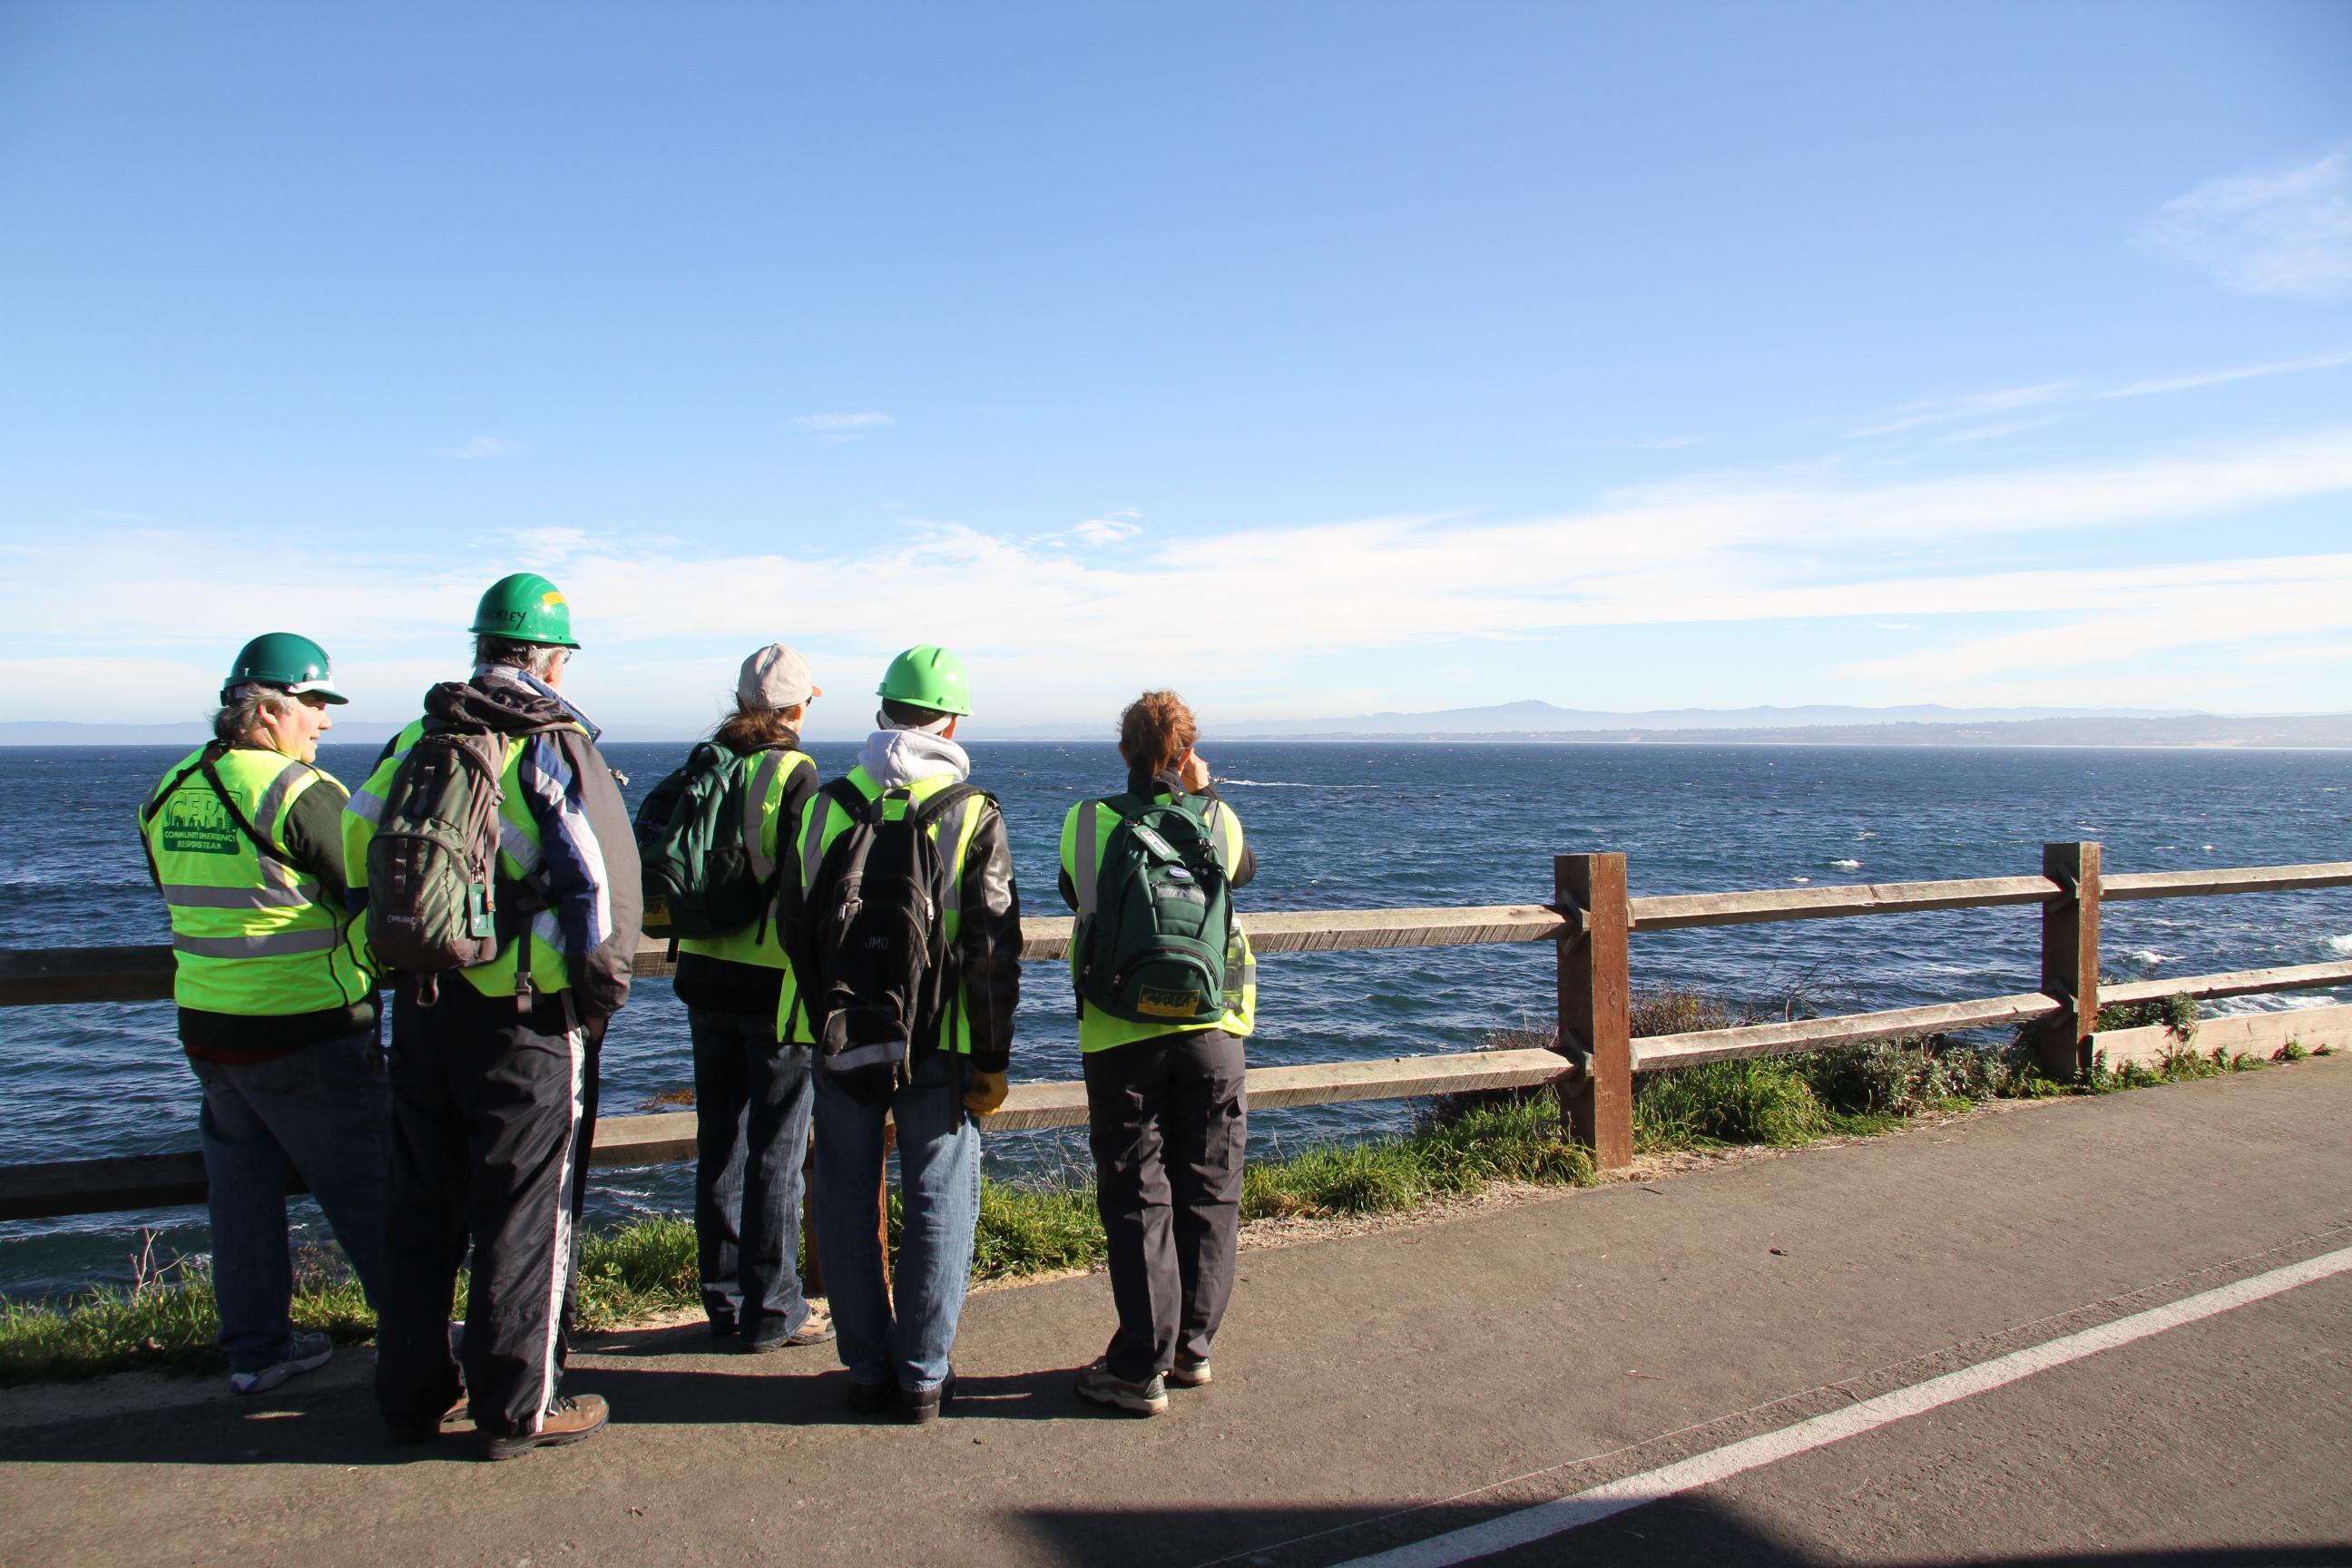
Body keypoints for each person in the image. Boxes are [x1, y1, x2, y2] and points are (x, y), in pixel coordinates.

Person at [346, 572, 643, 1459]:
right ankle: (519, 1406)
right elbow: (602, 898)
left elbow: (359, 851)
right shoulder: (552, 744)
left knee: (420, 1209)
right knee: (525, 1214)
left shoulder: (417, 736)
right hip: (525, 1019)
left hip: (424, 1007)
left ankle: (409, 1395)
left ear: (481, 648)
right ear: (550, 658)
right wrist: (595, 1004)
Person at [136, 633, 387, 1396]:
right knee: (370, 1189)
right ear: (269, 709)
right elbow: (371, 893)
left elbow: (177, 893)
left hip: (210, 1028)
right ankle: (416, 1340)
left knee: (241, 1196)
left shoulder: (170, 788)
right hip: (309, 1025)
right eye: (315, 703)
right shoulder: (297, 791)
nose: (325, 721)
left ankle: (256, 1353)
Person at [782, 645, 1021, 1421]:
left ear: (883, 712)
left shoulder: (826, 805)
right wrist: (992, 1058)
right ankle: (923, 1375)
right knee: (939, 1195)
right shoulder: (971, 812)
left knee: (844, 1194)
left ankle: (864, 1367)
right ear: (950, 722)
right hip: (938, 1039)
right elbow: (992, 950)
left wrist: (823, 1015)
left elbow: (795, 925)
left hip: (840, 1031)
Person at [1058, 691, 1257, 1416]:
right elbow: (1241, 873)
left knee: (1138, 1195)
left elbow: (1076, 895)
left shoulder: (1087, 822)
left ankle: (1139, 1364)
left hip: (1120, 1030)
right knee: (1210, 1185)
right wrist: (1205, 792)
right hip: (1213, 1026)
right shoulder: (1218, 818)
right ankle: (1190, 1350)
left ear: (1123, 750)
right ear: (1188, 750)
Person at [666, 646, 830, 1350]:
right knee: (777, 1149)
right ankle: (774, 1308)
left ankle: (725, 1300)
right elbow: (810, 886)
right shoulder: (794, 772)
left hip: (702, 972)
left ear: (741, 702)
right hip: (771, 985)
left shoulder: (705, 764)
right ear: (798, 708)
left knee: (720, 1143)